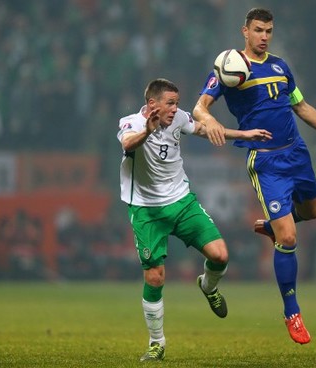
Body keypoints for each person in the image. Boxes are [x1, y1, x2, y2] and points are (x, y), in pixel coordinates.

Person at [193, 8, 316, 344]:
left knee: (312, 212)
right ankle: (292, 311)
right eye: (258, 30)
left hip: (297, 152)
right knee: (290, 239)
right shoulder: (229, 67)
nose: (264, 36)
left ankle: (275, 224)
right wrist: (208, 121)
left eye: (269, 30)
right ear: (244, 31)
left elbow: (301, 106)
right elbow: (200, 106)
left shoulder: (281, 66)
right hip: (267, 162)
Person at [117, 78, 271, 361]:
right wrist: (149, 131)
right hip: (146, 211)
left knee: (221, 256)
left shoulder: (178, 119)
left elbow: (204, 129)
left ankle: (208, 286)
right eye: (171, 103)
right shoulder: (131, 124)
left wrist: (245, 134)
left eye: (177, 103)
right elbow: (128, 144)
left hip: (182, 203)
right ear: (153, 104)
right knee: (154, 277)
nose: (176, 109)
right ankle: (156, 342)